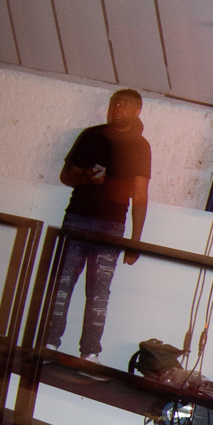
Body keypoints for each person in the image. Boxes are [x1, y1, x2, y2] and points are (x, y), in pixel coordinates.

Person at [44, 88, 151, 369]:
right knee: (61, 285)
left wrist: (135, 240)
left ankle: (90, 354)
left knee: (99, 293)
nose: (118, 108)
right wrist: (85, 178)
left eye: (126, 105)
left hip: (112, 226)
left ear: (137, 111)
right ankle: (48, 345)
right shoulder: (91, 135)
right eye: (115, 103)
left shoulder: (140, 146)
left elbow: (140, 195)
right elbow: (65, 175)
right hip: (77, 219)